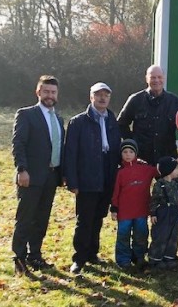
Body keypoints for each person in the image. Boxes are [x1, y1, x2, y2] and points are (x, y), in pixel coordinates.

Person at [64, 82, 121, 275]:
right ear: (91, 97)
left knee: (98, 217)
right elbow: (70, 153)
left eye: (106, 95)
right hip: (87, 175)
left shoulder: (113, 120)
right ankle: (79, 259)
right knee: (85, 219)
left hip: (107, 175)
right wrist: (72, 181)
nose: (102, 98)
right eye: (98, 95)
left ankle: (92, 253)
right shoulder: (78, 122)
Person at [11, 75, 64, 275]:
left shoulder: (58, 118)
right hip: (30, 176)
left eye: (53, 92)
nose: (50, 95)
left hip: (51, 177)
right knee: (25, 218)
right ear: (38, 92)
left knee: (41, 219)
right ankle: (19, 259)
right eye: (46, 91)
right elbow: (18, 143)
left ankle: (35, 256)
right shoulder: (26, 114)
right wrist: (21, 170)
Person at [117, 65, 178, 165]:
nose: (156, 80)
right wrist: (133, 143)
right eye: (153, 77)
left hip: (167, 157)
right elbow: (121, 124)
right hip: (141, 158)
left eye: (159, 77)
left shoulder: (174, 101)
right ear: (147, 79)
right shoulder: (135, 100)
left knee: (169, 182)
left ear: (164, 78)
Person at [110, 139, 159, 270]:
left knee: (141, 234)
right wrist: (114, 208)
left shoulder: (145, 169)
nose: (128, 154)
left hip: (141, 210)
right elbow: (115, 192)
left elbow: (161, 170)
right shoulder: (120, 172)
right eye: (125, 152)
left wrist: (177, 162)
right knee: (123, 236)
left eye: (131, 151)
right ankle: (123, 260)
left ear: (136, 153)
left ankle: (139, 257)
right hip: (124, 212)